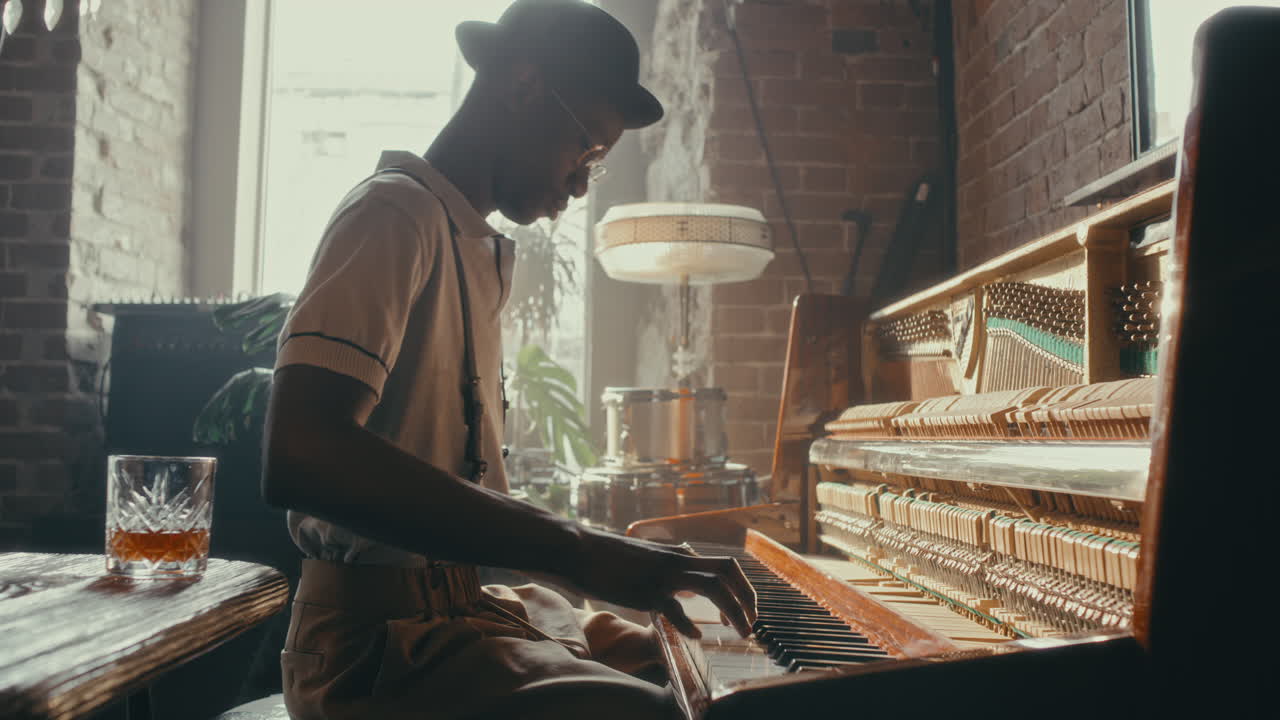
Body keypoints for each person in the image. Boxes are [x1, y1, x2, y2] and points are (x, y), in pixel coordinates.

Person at [262, 1, 756, 718]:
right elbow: (301, 452)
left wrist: (600, 557)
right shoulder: (394, 213)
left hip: (464, 611)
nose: (584, 183)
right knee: (665, 712)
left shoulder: (472, 242)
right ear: (524, 85)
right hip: (377, 650)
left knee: (698, 663)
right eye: (585, 148)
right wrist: (580, 549)